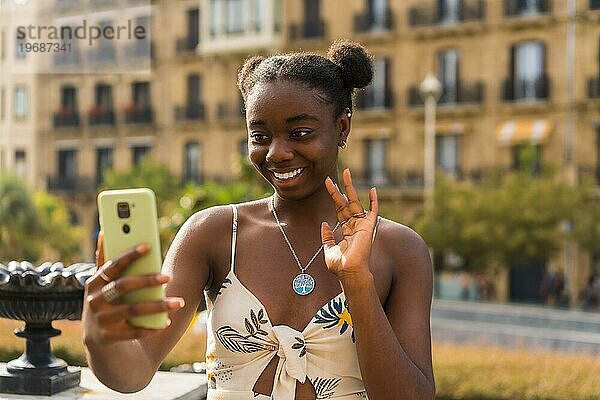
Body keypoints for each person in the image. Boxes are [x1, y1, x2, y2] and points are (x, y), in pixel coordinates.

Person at [82, 39, 435, 400]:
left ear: (342, 127)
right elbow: (133, 372)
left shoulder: (400, 250)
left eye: (300, 133)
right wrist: (99, 336)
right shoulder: (213, 234)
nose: (277, 153)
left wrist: (357, 283)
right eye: (260, 136)